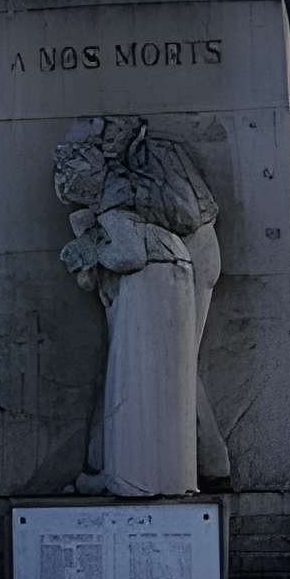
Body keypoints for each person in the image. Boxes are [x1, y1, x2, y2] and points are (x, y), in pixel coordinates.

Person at [55, 116, 224, 497]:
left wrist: (123, 201)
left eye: (112, 133)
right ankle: (115, 463)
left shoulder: (158, 155)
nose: (108, 142)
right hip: (147, 269)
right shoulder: (112, 176)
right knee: (129, 368)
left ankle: (206, 463)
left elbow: (185, 215)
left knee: (177, 367)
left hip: (186, 260)